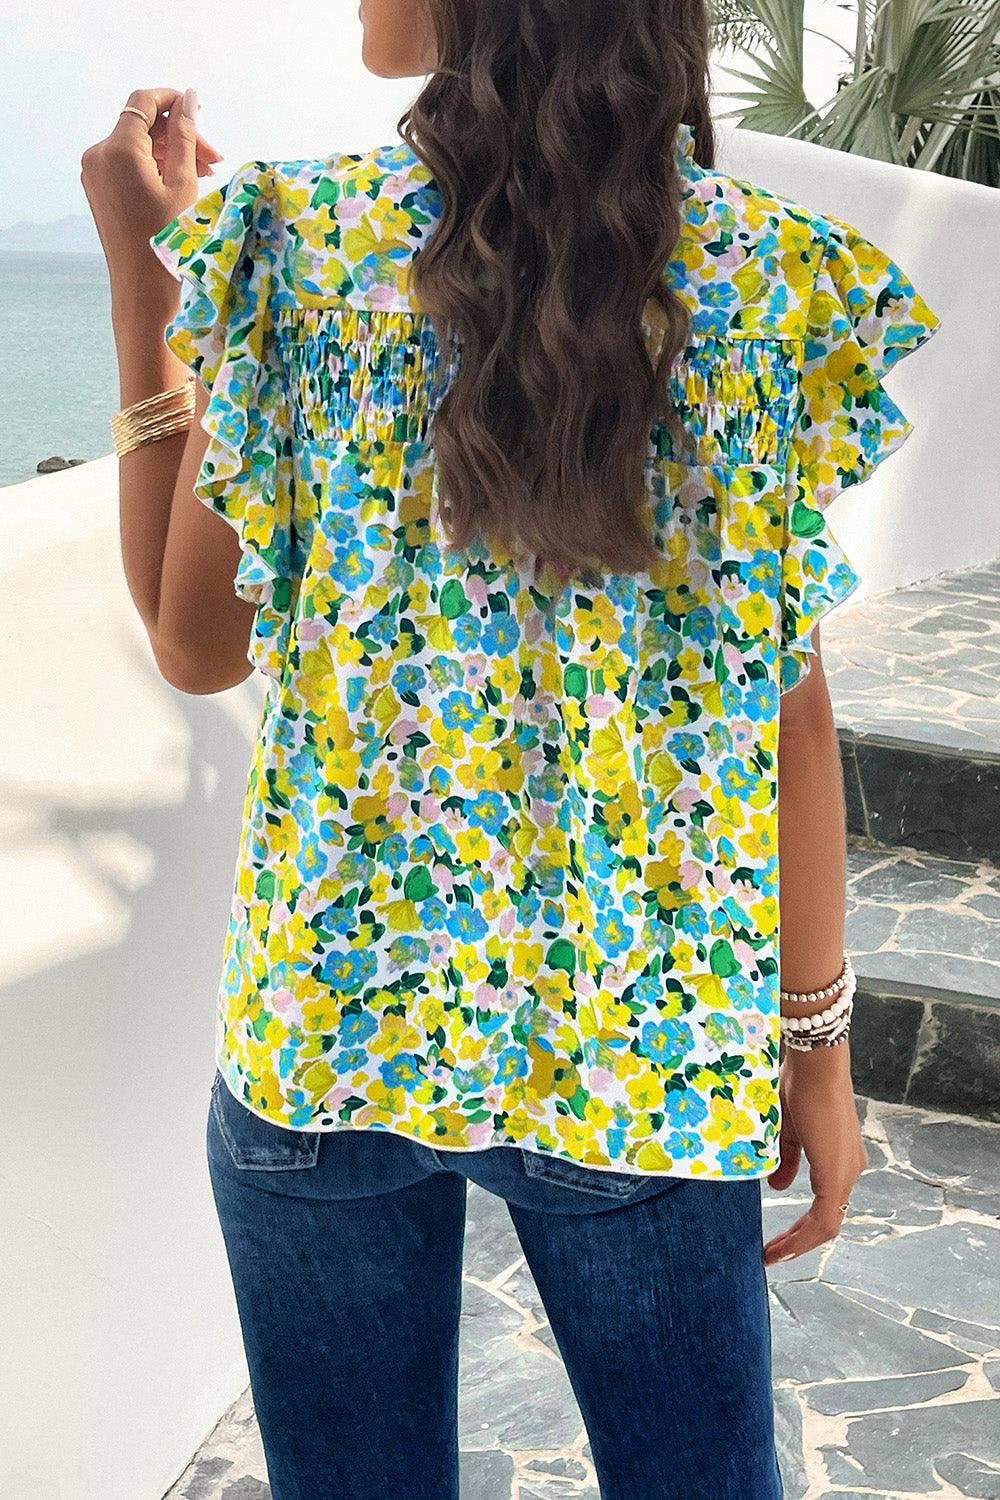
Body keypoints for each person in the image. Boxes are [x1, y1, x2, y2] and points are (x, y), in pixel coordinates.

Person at [81, 1, 939, 1494]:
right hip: (641, 1050)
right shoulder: (772, 285)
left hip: (322, 1036)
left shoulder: (292, 247)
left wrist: (142, 275)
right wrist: (817, 1046)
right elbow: (785, 705)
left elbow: (192, 642)